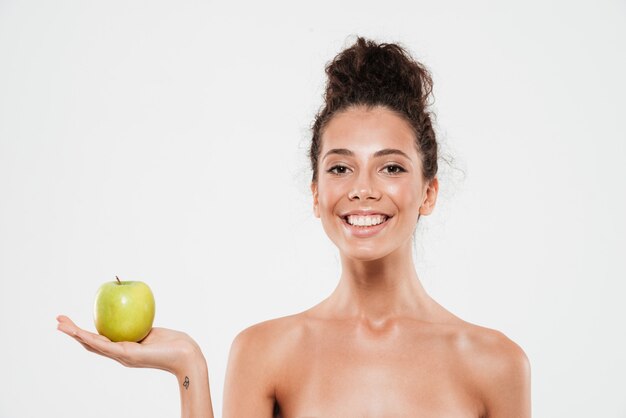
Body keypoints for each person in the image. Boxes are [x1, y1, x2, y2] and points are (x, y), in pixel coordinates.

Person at [57, 36, 531, 417]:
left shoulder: (496, 364)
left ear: (428, 192)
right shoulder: (265, 353)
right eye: (341, 168)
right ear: (315, 194)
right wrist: (188, 367)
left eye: (391, 168)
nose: (362, 190)